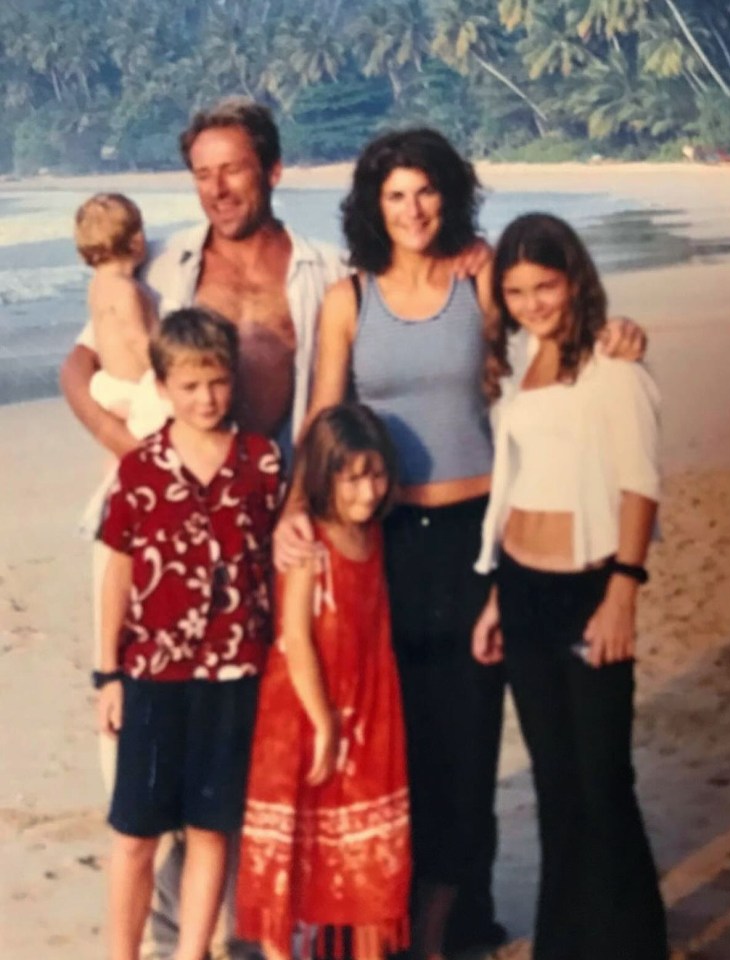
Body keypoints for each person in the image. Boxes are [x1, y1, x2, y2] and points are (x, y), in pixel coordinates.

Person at [276, 128, 647, 960]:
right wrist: (293, 511)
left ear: (450, 195)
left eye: (428, 191)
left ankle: (454, 923)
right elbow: (322, 420)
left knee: (471, 741)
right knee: (391, 738)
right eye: (396, 195)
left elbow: (553, 337)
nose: (414, 209)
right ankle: (390, 920)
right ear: (374, 205)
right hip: (384, 541)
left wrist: (621, 334)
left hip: (480, 539)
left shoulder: (479, 281)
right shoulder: (349, 298)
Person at [60, 98, 349, 960]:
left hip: (271, 517)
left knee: (250, 750)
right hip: (156, 537)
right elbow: (80, 364)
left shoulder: (324, 270)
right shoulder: (167, 271)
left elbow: (349, 388)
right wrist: (129, 449)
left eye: (233, 168)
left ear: (272, 169)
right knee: (139, 779)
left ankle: (229, 938)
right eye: (202, 173)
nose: (218, 188)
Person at [473, 213, 668, 960]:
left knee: (603, 781)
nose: (531, 303)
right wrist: (494, 591)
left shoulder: (614, 366)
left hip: (591, 589)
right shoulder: (520, 358)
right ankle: (565, 944)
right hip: (522, 589)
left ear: (573, 279)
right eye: (516, 290)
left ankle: (631, 945)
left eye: (544, 286)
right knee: (555, 784)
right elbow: (516, 482)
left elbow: (640, 483)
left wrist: (624, 589)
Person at [95, 306, 281, 960]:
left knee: (210, 830)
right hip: (152, 674)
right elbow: (116, 572)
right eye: (190, 385)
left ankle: (191, 952)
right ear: (163, 386)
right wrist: (107, 672)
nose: (206, 398)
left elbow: (281, 559)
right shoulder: (141, 469)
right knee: (136, 834)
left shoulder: (262, 464)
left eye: (218, 382)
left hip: (235, 676)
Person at [236, 404, 410, 960]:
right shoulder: (308, 542)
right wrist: (324, 721)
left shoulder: (374, 535)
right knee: (293, 849)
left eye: (376, 473)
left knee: (365, 848)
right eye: (352, 477)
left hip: (370, 706)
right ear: (322, 476)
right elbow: (296, 641)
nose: (367, 491)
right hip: (305, 713)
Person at [74, 193, 168, 440]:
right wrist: (167, 375)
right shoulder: (126, 289)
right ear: (136, 241)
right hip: (133, 388)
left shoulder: (97, 284)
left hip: (108, 382)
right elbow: (138, 339)